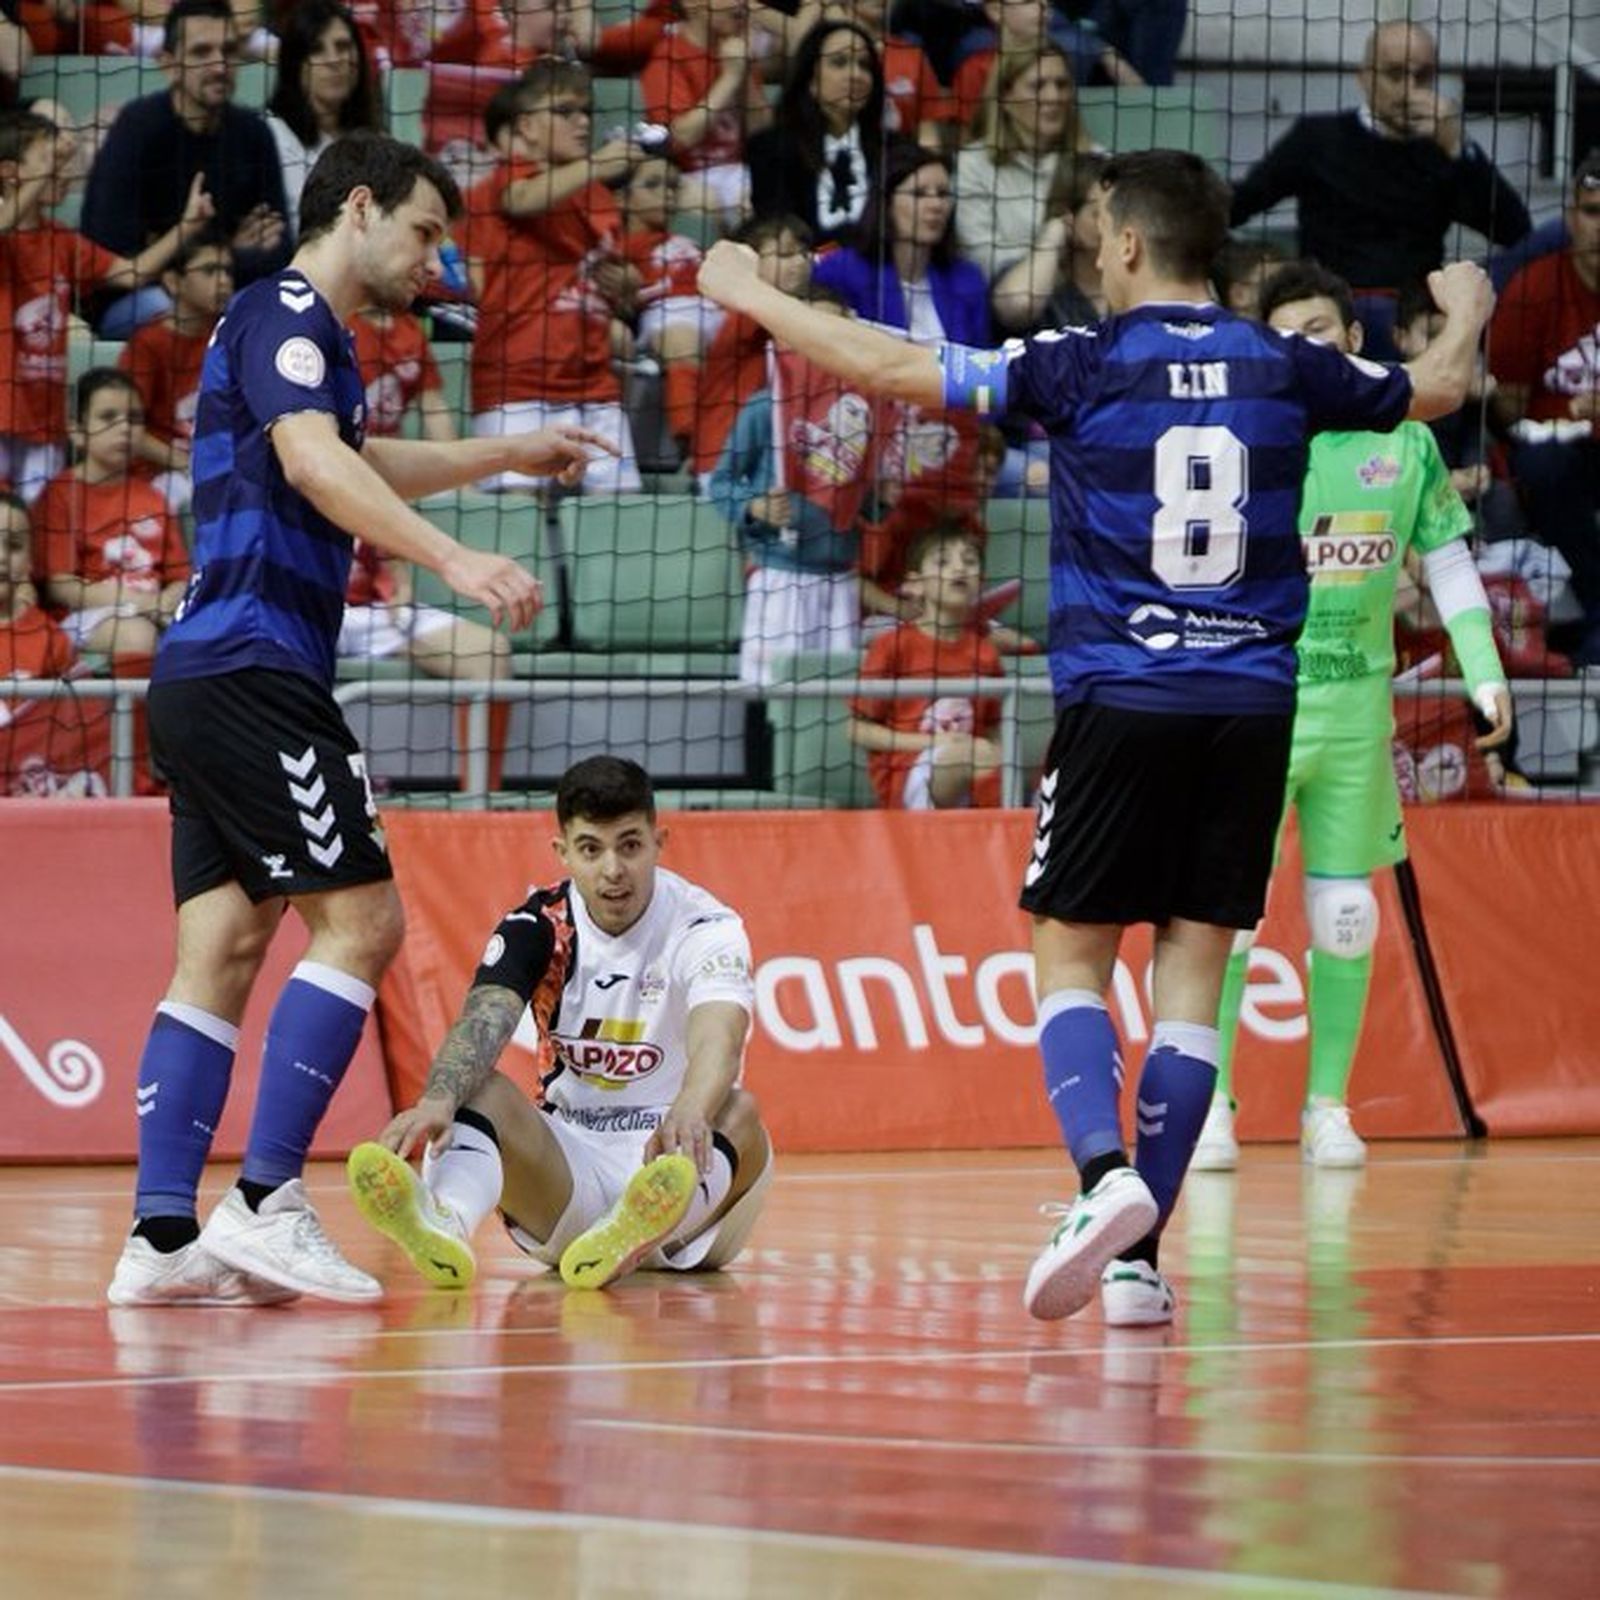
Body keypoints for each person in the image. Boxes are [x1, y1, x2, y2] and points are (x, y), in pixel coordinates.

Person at [698, 147, 1494, 1327]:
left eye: (1093, 235)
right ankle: (1138, 1264)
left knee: (1068, 952)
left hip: (1122, 697)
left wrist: (748, 291)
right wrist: (1468, 307)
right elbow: (1432, 390)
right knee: (1192, 974)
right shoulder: (1287, 362)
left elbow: (883, 362)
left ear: (1124, 244)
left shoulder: (1077, 363)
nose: (1087, 251)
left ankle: (1097, 1178)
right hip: (1252, 708)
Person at [105, 131, 607, 1310]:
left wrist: (510, 452)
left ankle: (162, 1235)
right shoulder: (286, 308)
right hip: (257, 667)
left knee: (220, 953)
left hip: (200, 674)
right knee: (366, 923)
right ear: (361, 207)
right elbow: (318, 466)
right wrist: (452, 560)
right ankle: (268, 1200)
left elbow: (357, 456)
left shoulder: (306, 340)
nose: (433, 261)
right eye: (427, 233)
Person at [1192, 262, 1512, 1173]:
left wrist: (1484, 671)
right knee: (1229, 918)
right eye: (1287, 333)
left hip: (1356, 719)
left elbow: (1447, 561)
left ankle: (1326, 1106)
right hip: (1252, 713)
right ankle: (1211, 1103)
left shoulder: (1403, 442)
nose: (1307, 346)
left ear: (1353, 340)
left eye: (1321, 330)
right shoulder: (1245, 437)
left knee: (1345, 918)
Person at [346, 755, 774, 1293]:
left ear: (659, 842)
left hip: (683, 1171)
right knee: (473, 1089)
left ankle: (639, 1231)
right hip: (570, 1173)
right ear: (563, 852)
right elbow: (487, 1015)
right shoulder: (539, 925)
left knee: (739, 1111)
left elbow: (720, 1033)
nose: (613, 869)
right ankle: (443, 1219)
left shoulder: (705, 925)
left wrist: (689, 1109)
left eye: (630, 845)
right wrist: (438, 1098)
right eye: (592, 849)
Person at [1229, 20, 1528, 352]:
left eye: (1423, 77)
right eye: (1396, 74)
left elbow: (1514, 231)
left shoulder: (1441, 149)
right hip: (1332, 310)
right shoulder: (1317, 139)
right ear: (1365, 77)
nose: (1409, 90)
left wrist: (1457, 148)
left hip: (1411, 317)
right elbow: (1238, 205)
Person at [0, 105, 213, 501]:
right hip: (1, 411)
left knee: (39, 533)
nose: (62, 170)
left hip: (42, 418)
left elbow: (130, 274)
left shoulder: (62, 240)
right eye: (49, 160)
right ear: (10, 173)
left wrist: (186, 227)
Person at [460, 60, 644, 493]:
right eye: (565, 112)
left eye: (586, 113)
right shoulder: (509, 178)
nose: (582, 122)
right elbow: (522, 200)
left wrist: (626, 283)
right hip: (516, 386)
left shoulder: (598, 196)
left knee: (619, 522)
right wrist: (600, 163)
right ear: (526, 125)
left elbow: (599, 283)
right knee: (515, 526)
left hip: (594, 385)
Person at [80, 0, 290, 336]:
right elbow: (109, 256)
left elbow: (279, 249)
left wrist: (176, 252)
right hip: (139, 300)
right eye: (201, 52)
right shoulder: (136, 129)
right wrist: (229, 249)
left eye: (228, 49)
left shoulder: (253, 132)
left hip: (227, 295)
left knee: (280, 312)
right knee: (189, 317)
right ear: (168, 64)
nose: (219, 65)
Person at [1489, 150, 1600, 665]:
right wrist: (1568, 417)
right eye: (1592, 211)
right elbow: (1510, 412)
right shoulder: (1533, 288)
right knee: (1540, 463)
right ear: (1571, 217)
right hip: (1567, 455)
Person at [32, 368, 190, 671]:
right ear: (77, 431)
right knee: (137, 635)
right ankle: (135, 721)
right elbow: (62, 588)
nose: (124, 428)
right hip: (84, 616)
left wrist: (167, 601)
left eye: (134, 419)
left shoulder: (154, 496)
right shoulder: (61, 494)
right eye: (108, 417)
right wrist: (142, 604)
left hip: (157, 610)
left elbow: (180, 577)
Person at [849, 517, 1005, 809]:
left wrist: (997, 754)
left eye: (970, 562)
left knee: (991, 757)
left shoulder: (986, 653)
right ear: (915, 584)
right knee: (978, 754)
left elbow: (993, 729)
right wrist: (933, 744)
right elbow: (857, 728)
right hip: (909, 774)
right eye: (943, 562)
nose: (959, 568)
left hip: (972, 765)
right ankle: (1006, 843)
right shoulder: (891, 645)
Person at [954, 43, 1101, 295]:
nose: (1053, 96)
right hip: (1005, 303)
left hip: (1086, 300)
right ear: (1006, 97)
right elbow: (981, 259)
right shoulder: (973, 164)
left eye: (1062, 85)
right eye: (1038, 86)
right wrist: (1050, 251)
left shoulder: (1097, 160)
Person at [746, 19, 889, 247]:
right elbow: (776, 229)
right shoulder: (771, 148)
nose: (856, 74)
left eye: (865, 65)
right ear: (811, 80)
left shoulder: (893, 151)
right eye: (839, 63)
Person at [120, 231, 236, 508]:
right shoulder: (147, 345)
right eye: (210, 270)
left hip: (218, 462)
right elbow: (125, 427)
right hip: (160, 472)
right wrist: (187, 463)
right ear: (173, 282)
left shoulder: (230, 337)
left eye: (227, 271)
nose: (223, 281)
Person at [265, 0, 382, 237]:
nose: (334, 60)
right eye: (317, 49)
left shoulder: (377, 146)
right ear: (294, 64)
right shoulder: (269, 136)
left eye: (343, 46)